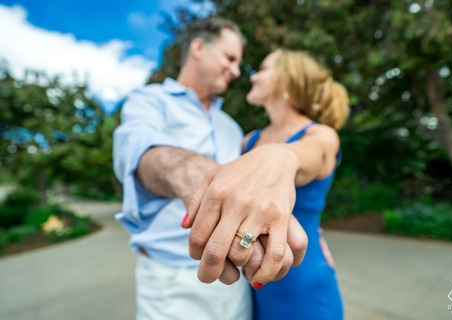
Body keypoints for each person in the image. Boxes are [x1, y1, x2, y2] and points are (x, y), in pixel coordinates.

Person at [113, 17, 308, 320]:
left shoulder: (231, 126)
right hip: (172, 279)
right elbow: (137, 147)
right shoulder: (150, 100)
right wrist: (203, 180)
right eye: (230, 58)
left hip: (235, 277)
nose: (235, 71)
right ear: (199, 47)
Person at [242, 49, 349, 319]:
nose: (253, 77)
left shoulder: (321, 135)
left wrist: (283, 156)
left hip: (306, 287)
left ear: (285, 79)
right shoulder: (249, 141)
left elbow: (306, 158)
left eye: (263, 69)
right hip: (254, 286)